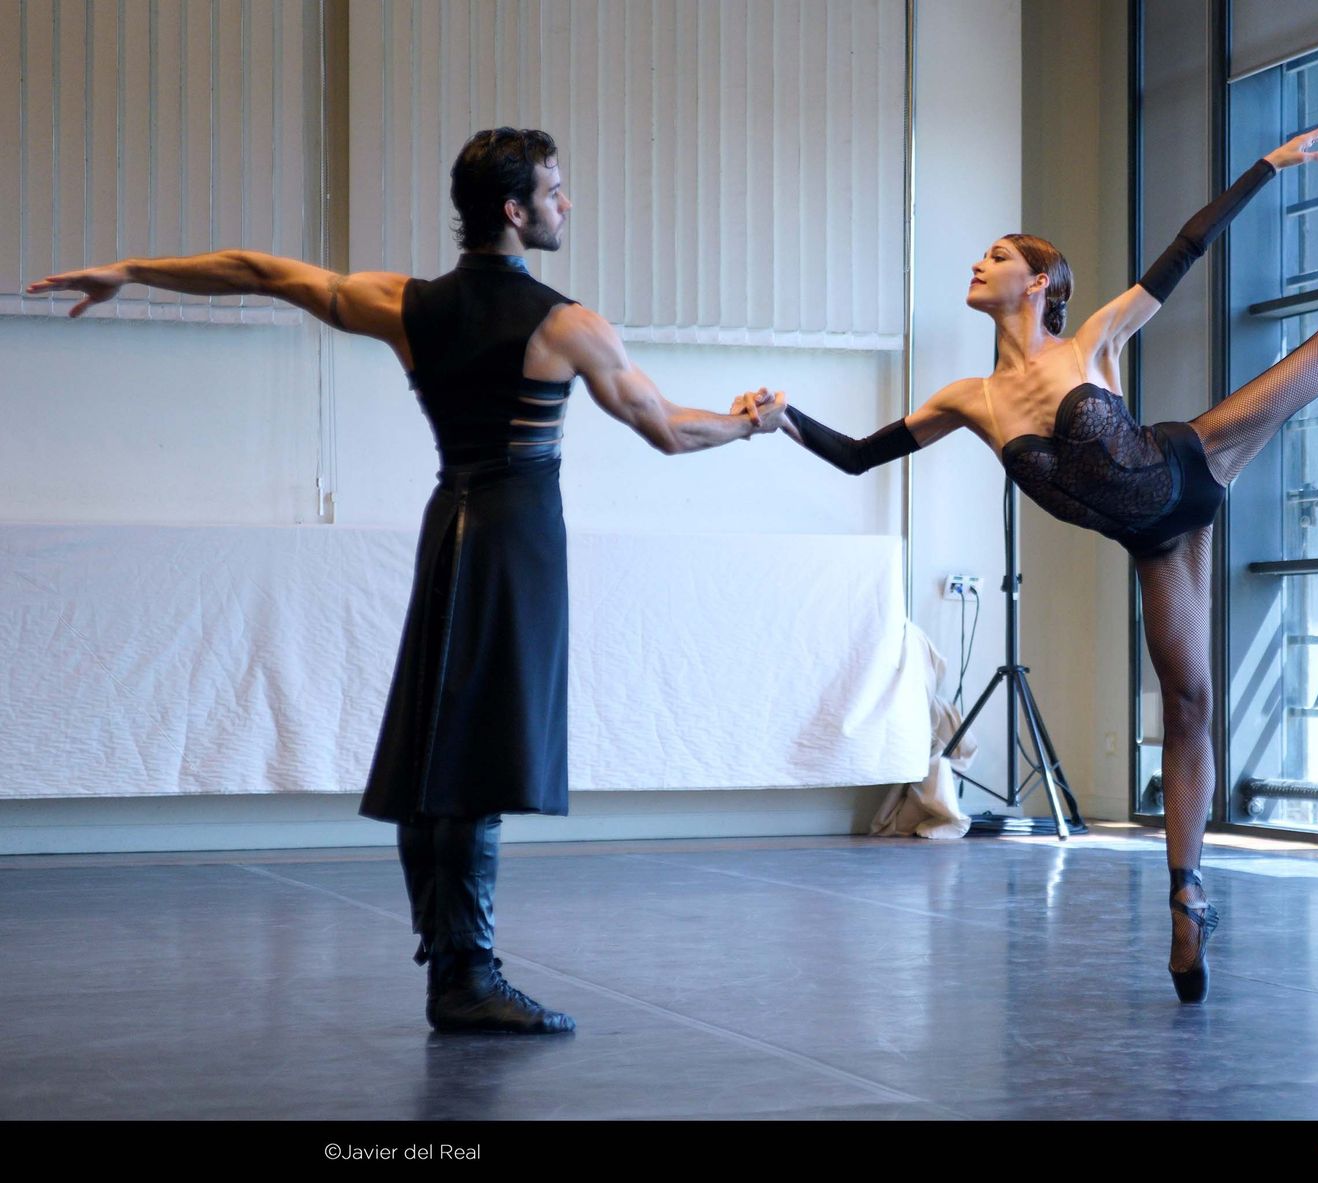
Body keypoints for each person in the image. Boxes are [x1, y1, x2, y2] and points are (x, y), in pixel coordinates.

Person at [30, 127, 790, 1034]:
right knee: (469, 754)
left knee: (442, 745)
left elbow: (260, 271)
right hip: (513, 541)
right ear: (514, 211)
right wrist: (752, 422)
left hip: (453, 524)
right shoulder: (568, 323)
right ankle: (466, 977)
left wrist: (129, 268)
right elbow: (668, 427)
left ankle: (457, 971)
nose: (565, 204)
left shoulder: (404, 305)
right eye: (555, 191)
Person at [742, 130, 1318, 1003]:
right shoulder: (969, 401)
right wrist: (787, 419)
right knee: (1188, 707)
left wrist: (1268, 166)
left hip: (1191, 460)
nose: (978, 261)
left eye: (996, 255)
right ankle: (1188, 899)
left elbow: (1186, 247)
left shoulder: (1094, 341)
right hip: (1159, 545)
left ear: (1038, 283)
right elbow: (857, 455)